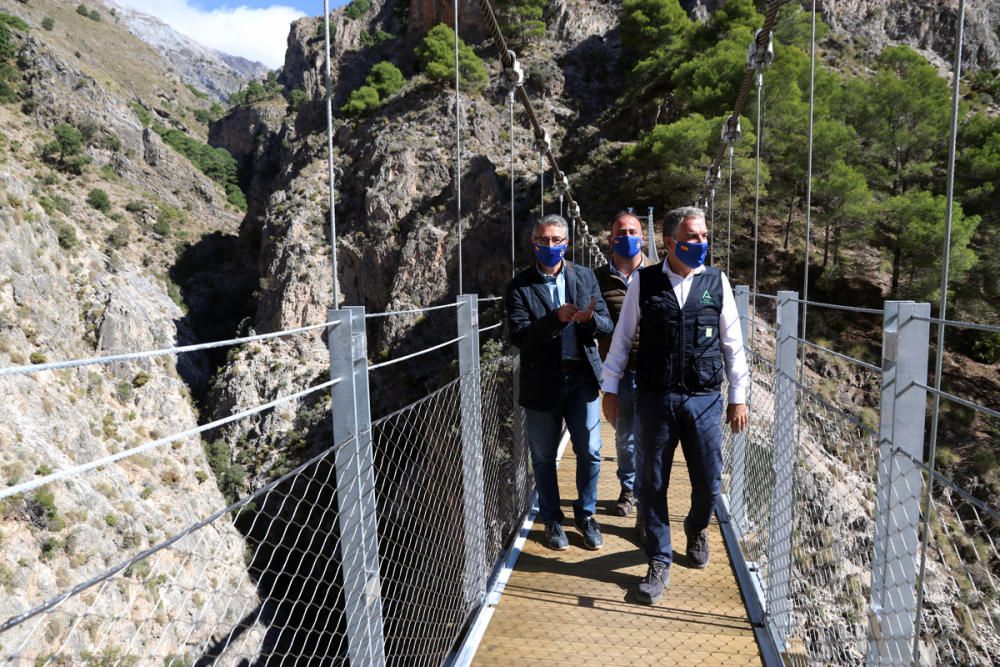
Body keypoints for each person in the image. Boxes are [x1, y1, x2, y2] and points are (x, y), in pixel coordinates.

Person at [601, 206, 749, 605]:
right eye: (692, 237)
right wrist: (610, 389)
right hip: (655, 397)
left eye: (704, 237)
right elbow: (621, 339)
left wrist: (738, 396)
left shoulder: (717, 283)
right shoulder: (644, 283)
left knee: (709, 481)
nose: (701, 243)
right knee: (651, 484)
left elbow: (733, 345)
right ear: (669, 243)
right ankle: (659, 558)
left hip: (704, 398)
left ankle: (696, 527)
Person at [506, 214, 614, 551]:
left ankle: (586, 514)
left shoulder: (584, 277)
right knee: (542, 457)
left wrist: (586, 320)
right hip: (542, 382)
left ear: (568, 243)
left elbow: (606, 326)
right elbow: (520, 337)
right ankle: (552, 520)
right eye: (543, 240)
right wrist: (557, 318)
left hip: (581, 378)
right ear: (533, 243)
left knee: (592, 452)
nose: (549, 246)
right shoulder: (519, 286)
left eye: (556, 240)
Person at [593, 212, 655, 529]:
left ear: (643, 237)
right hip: (619, 372)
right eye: (621, 231)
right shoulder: (597, 279)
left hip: (656, 372)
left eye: (633, 231)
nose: (627, 236)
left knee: (654, 439)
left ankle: (649, 496)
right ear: (610, 239)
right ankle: (628, 490)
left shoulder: (660, 275)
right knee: (625, 437)